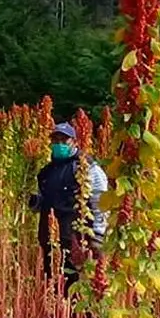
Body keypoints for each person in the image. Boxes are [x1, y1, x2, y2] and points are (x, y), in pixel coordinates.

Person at [29, 122, 108, 296]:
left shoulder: (87, 167)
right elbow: (49, 202)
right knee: (53, 283)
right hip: (50, 240)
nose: (59, 144)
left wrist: (98, 235)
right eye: (55, 140)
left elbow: (99, 201)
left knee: (77, 286)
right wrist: (36, 203)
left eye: (64, 140)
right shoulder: (47, 171)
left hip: (77, 241)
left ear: (74, 142)